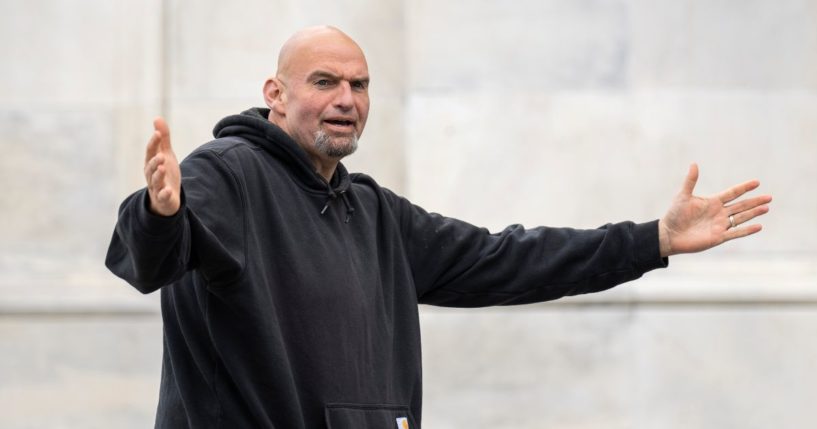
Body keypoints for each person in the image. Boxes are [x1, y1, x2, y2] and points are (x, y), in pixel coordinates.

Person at [105, 26, 772, 429]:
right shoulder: (228, 173)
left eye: (360, 85)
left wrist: (650, 239)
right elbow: (152, 258)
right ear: (275, 94)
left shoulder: (375, 214)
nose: (346, 100)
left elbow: (506, 258)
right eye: (325, 81)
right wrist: (160, 211)